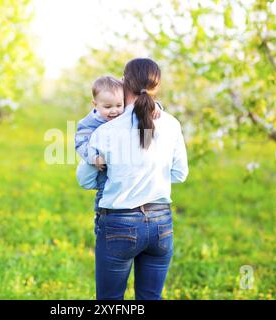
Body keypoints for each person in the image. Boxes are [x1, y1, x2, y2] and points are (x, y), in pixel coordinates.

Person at [76, 58, 189, 300]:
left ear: (125, 83)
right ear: (155, 88)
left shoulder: (105, 131)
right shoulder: (170, 124)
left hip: (119, 223)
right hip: (161, 223)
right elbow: (180, 174)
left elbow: (85, 180)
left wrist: (115, 176)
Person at [75, 75, 162, 212]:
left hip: (121, 163)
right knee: (88, 177)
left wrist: (155, 105)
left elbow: (141, 105)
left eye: (119, 105)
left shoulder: (122, 113)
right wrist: (93, 157)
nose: (114, 111)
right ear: (95, 104)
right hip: (100, 162)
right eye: (108, 107)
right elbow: (80, 143)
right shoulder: (89, 123)